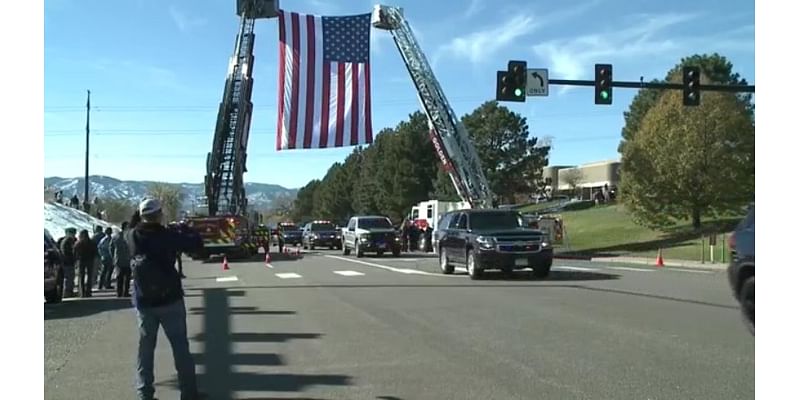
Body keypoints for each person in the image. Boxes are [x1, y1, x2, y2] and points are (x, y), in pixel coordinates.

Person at [127, 199, 204, 400]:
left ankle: (145, 393)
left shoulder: (132, 236)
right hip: (170, 299)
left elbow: (133, 223)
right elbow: (196, 245)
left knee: (145, 350)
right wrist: (186, 228)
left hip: (144, 302)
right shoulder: (168, 236)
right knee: (180, 348)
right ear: (159, 214)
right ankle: (188, 393)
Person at [110, 222, 132, 297]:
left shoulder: (116, 236)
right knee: (127, 277)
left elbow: (111, 247)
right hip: (127, 259)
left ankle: (119, 292)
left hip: (118, 259)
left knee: (119, 277)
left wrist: (113, 255)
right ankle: (125, 292)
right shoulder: (129, 236)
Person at [73, 229, 97, 298]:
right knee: (89, 277)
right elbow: (95, 251)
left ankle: (82, 292)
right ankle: (88, 292)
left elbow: (74, 252)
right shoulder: (92, 242)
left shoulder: (78, 243)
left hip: (81, 261)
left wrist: (75, 259)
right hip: (90, 260)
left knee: (81, 277)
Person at [59, 228, 78, 298]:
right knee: (68, 278)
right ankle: (67, 292)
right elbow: (67, 252)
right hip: (67, 262)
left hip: (69, 262)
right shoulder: (67, 241)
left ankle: (70, 291)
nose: (74, 235)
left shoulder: (71, 240)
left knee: (71, 277)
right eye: (72, 233)